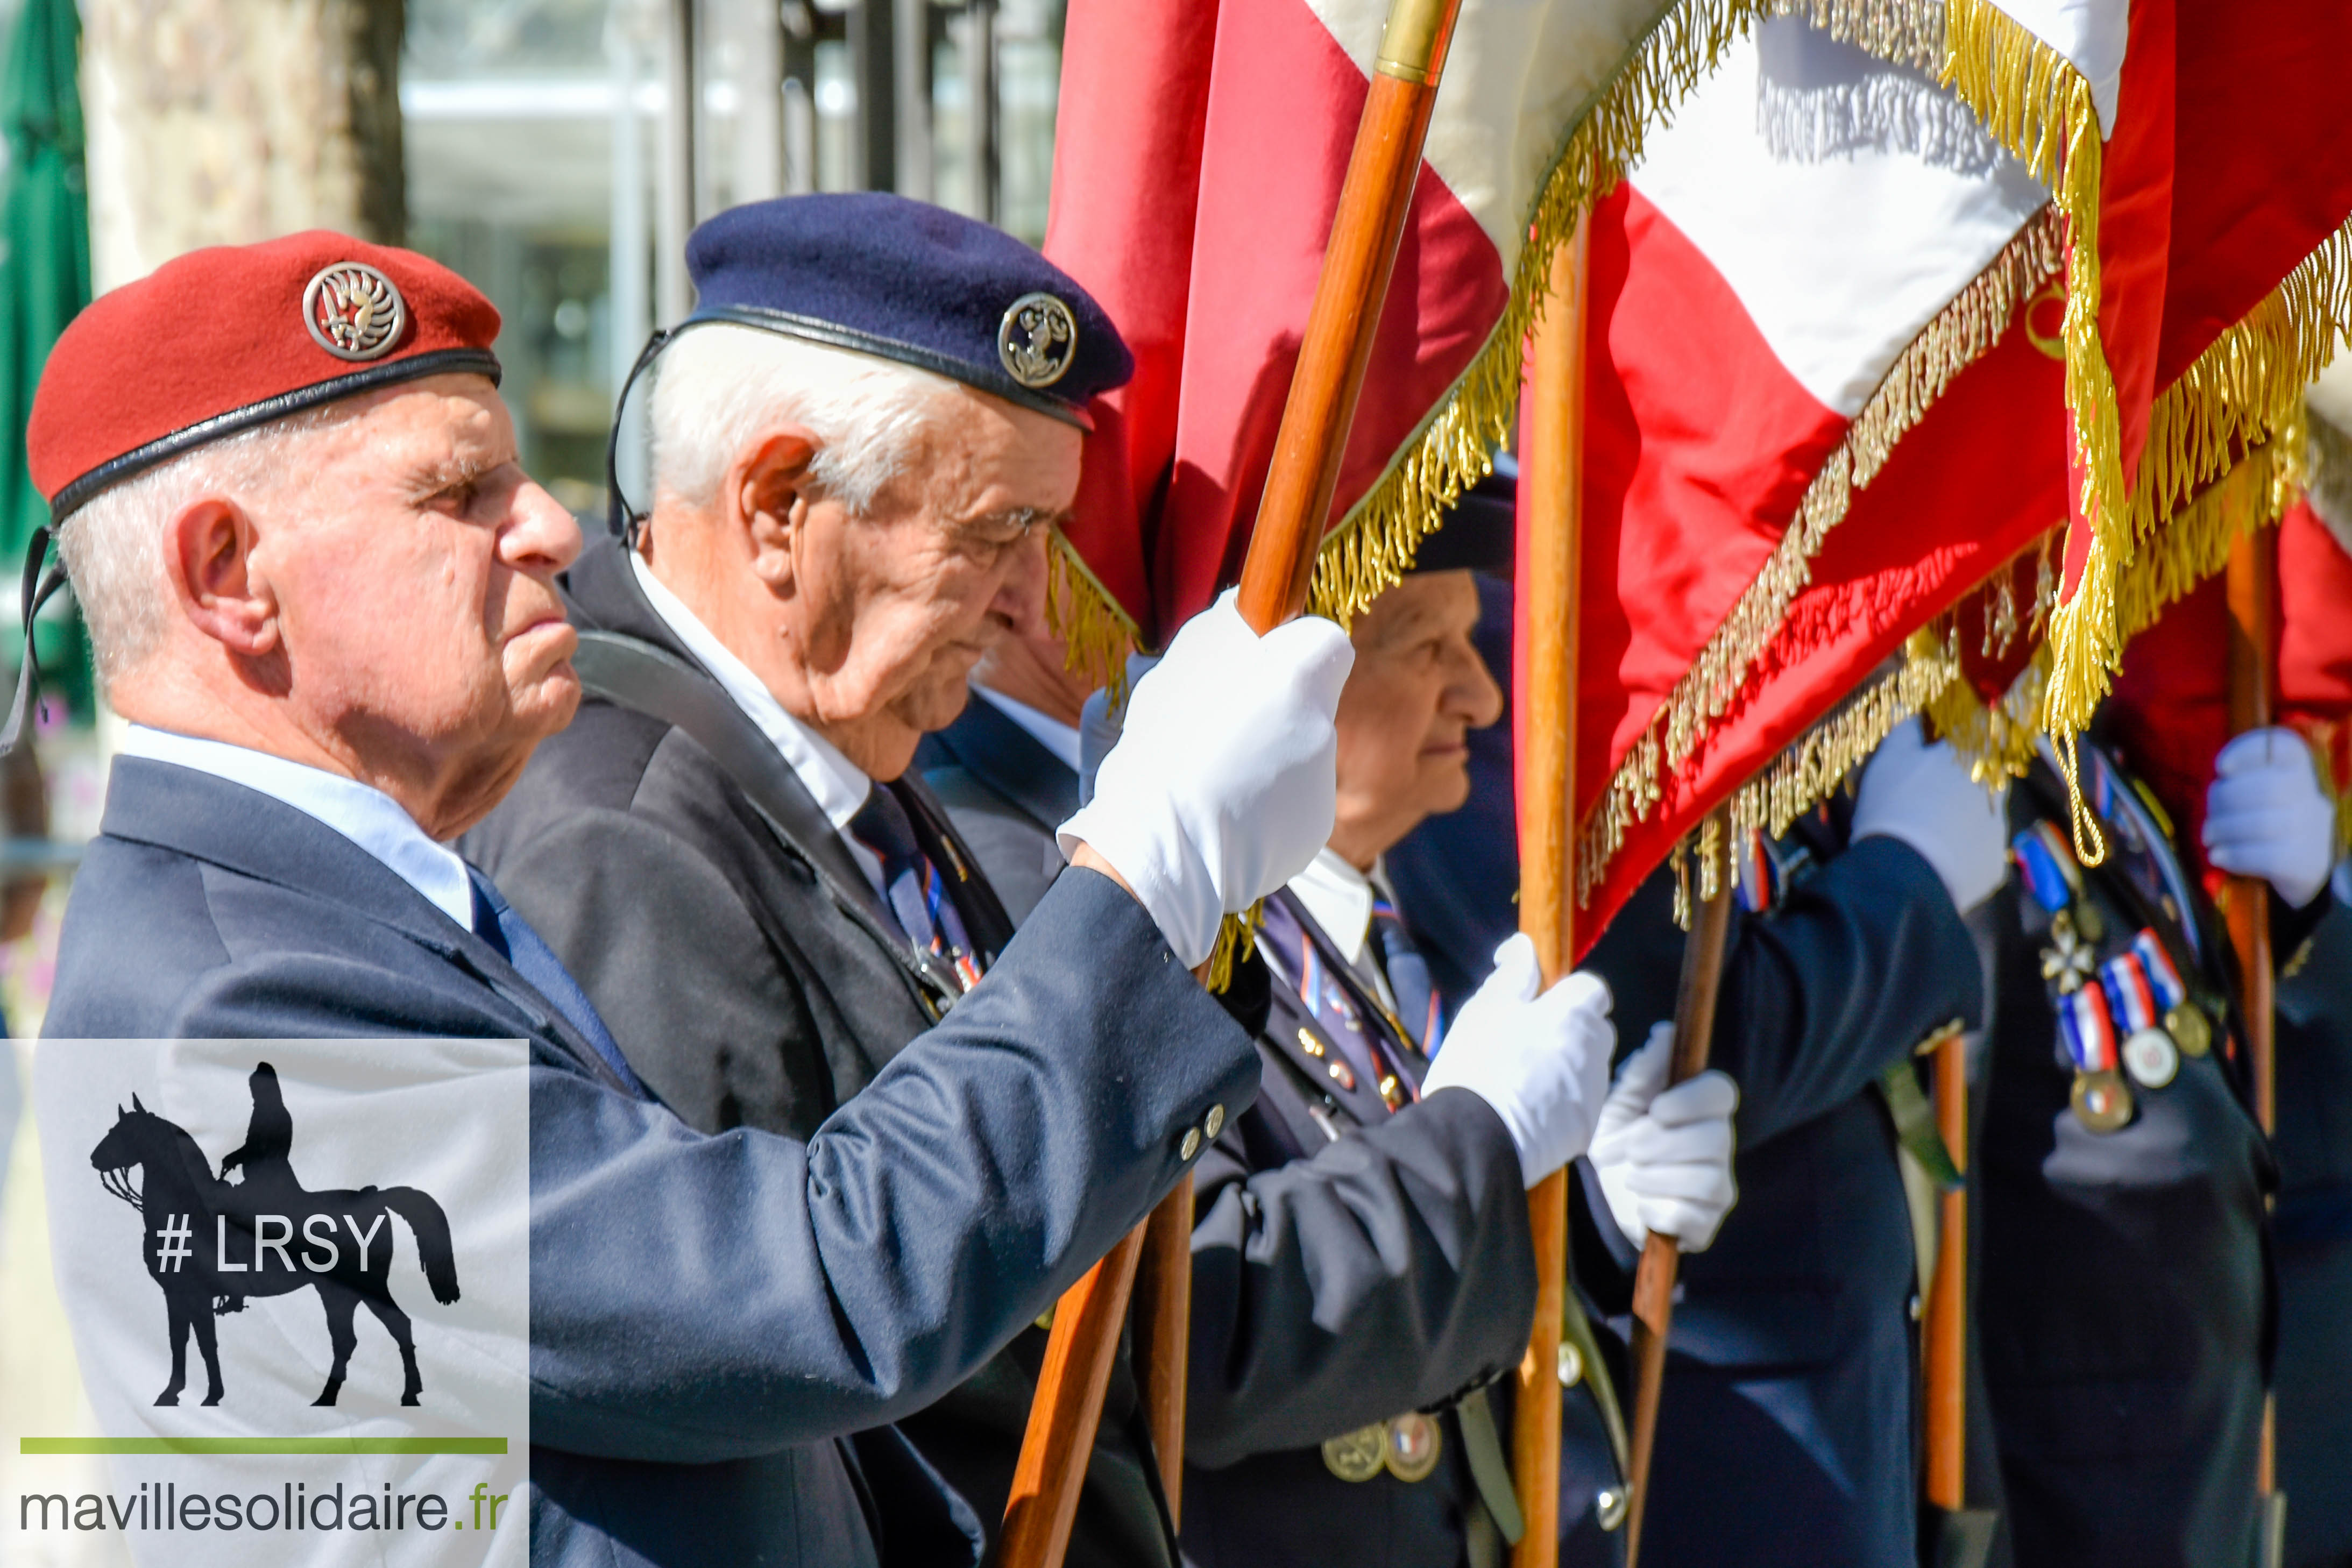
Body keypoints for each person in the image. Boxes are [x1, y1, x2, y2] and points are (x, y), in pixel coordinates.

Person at [31, 228, 1350, 1567]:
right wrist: (1146, 875)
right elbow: (805, 1293)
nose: (547, 523)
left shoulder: (315, 909)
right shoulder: (234, 1004)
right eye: (459, 492)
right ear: (226, 578)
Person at [928, 477, 1745, 1568]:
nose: (1481, 699)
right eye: (1420, 646)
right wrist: (1483, 1139)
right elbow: (1211, 1320)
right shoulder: (1070, 893)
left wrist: (1587, 1210)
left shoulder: (1340, 912)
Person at [1387, 573, 2006, 1568]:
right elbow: (1652, 1037)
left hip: (1839, 1373)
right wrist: (1912, 883)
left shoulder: (1662, 562)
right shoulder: (1503, 583)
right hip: (1703, 1399)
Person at [1971, 721, 2333, 1568]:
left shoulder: (2078, 751)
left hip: (2192, 1464)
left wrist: (2299, 911)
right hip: (2061, 1497)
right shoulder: (1962, 762)